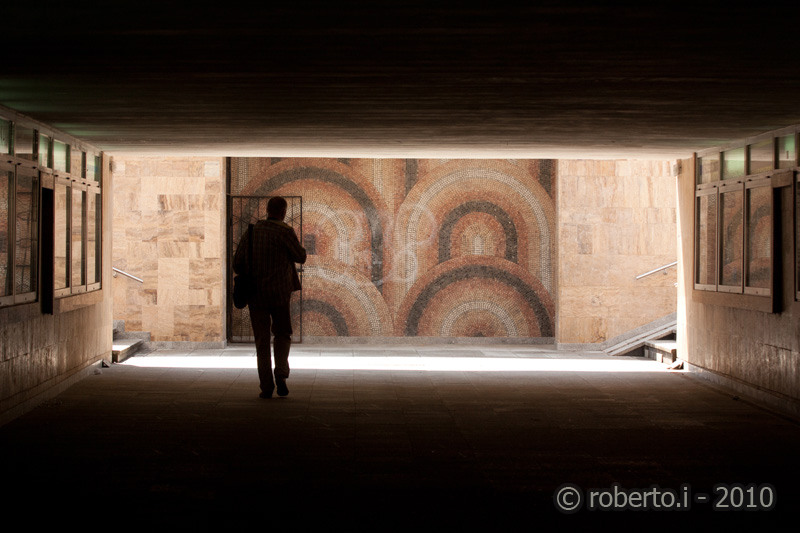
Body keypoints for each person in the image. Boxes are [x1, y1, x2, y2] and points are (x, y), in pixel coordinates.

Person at [234, 196, 307, 399]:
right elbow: (300, 256)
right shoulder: (285, 231)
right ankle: (281, 375)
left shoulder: (251, 232)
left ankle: (266, 386)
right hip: (279, 294)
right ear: (283, 212)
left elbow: (237, 262)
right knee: (282, 334)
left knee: (262, 340)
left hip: (256, 295)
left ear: (267, 210)